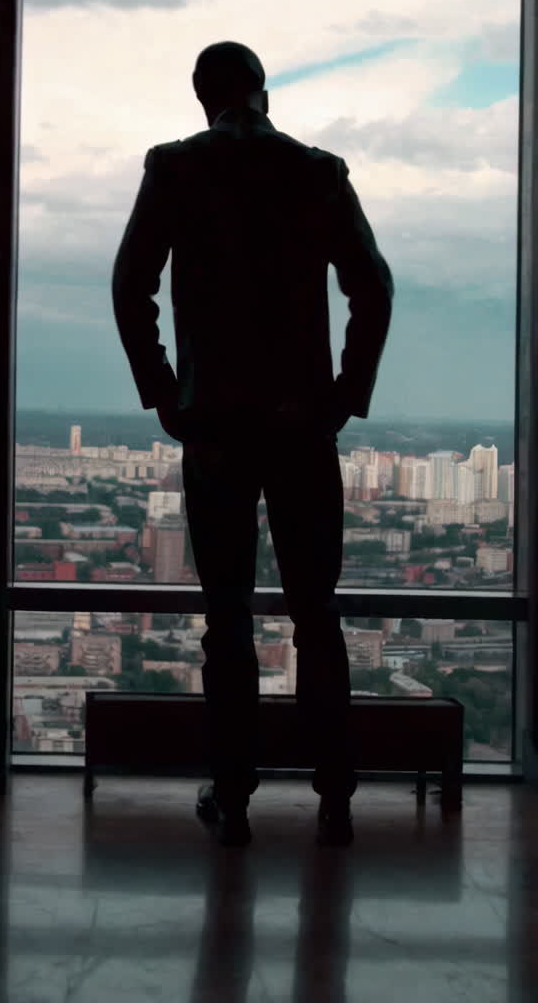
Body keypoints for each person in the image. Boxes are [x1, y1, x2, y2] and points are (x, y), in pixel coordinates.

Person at [112, 41, 394, 846]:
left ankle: (233, 797)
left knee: (227, 617)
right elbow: (373, 287)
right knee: (317, 614)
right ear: (264, 95)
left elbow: (131, 285)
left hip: (215, 425)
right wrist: (345, 394)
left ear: (203, 99)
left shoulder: (175, 168)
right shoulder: (318, 172)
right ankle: (335, 798)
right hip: (303, 422)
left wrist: (166, 390)